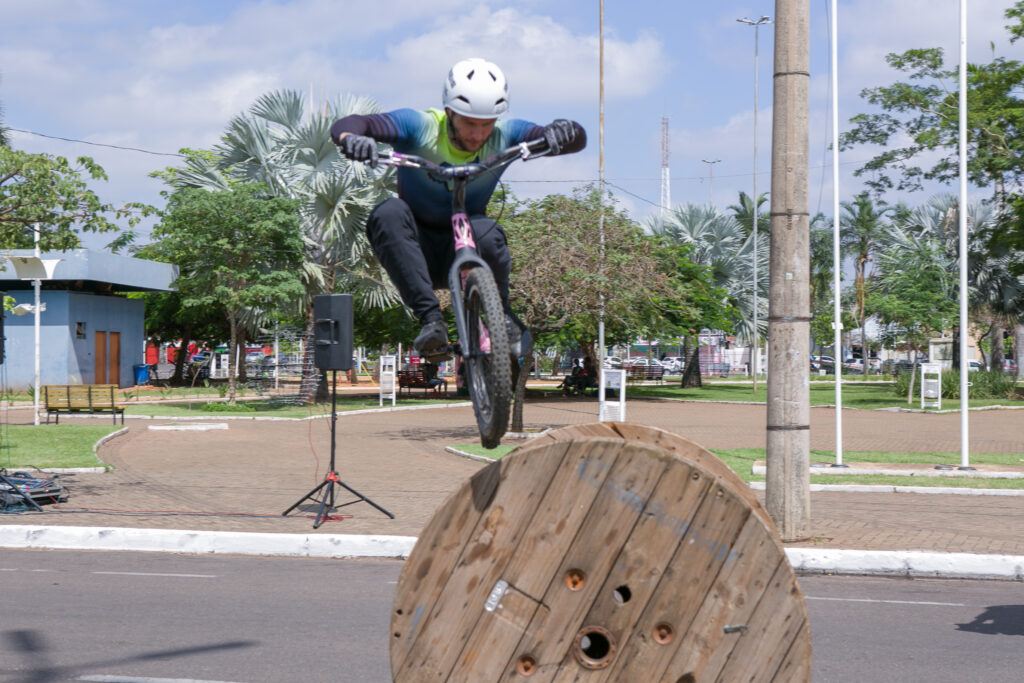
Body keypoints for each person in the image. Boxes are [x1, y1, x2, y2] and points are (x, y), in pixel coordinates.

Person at [331, 57, 586, 359]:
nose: (478, 135)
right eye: (469, 123)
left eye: (486, 125)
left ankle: (501, 315)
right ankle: (431, 323)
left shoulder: (508, 134)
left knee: (487, 230)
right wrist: (353, 139)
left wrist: (565, 130)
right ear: (449, 113)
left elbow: (572, 138)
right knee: (388, 212)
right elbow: (355, 124)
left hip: (467, 240)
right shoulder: (420, 126)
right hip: (416, 248)